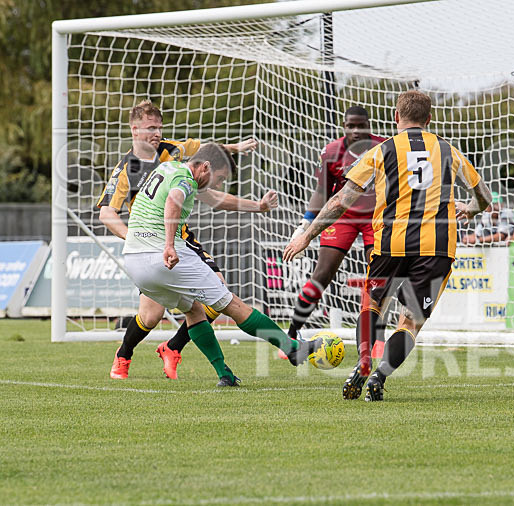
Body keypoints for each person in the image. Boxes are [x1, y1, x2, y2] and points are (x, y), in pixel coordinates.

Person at [283, 90, 492, 401]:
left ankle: (364, 360)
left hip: (390, 244)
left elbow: (341, 200)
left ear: (396, 117)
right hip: (437, 248)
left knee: (371, 306)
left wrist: (307, 234)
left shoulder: (381, 151)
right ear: (429, 119)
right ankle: (380, 375)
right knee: (409, 322)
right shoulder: (449, 151)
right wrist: (472, 209)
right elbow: (484, 197)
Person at [122, 144, 319, 387]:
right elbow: (174, 202)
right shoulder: (185, 180)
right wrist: (170, 245)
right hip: (160, 255)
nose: (218, 184)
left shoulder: (168, 168)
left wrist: (258, 206)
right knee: (232, 304)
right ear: (205, 167)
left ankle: (224, 374)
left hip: (133, 260)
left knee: (194, 311)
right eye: (220, 178)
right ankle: (292, 348)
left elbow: (216, 199)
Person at [97, 100, 260, 380]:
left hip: (182, 239)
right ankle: (124, 354)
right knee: (150, 317)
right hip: (149, 246)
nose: (156, 133)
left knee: (217, 294)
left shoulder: (173, 150)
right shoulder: (126, 169)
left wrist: (233, 148)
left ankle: (174, 347)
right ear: (134, 130)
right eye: (150, 128)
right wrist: (133, 236)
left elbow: (206, 149)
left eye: (159, 127)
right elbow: (106, 213)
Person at [287, 106, 385, 342]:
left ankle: (375, 339)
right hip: (342, 216)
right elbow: (321, 192)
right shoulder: (331, 151)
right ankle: (292, 333)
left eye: (361, 125)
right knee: (322, 273)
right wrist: (304, 226)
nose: (356, 130)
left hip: (375, 217)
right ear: (343, 126)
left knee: (377, 276)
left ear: (369, 125)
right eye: (350, 125)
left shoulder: (384, 147)